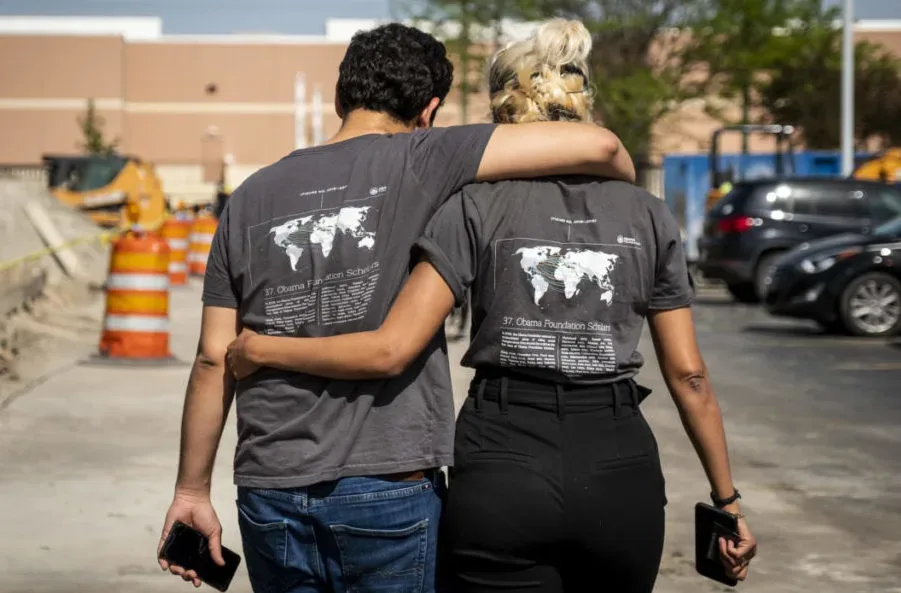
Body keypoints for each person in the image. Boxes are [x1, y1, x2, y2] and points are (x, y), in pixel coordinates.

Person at [226, 19, 757, 593]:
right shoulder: (648, 214)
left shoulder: (470, 206)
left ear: (503, 108)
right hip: (617, 460)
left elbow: (395, 344)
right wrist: (726, 500)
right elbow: (690, 375)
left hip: (501, 457)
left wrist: (261, 348)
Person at [157, 21, 637, 593]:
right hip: (389, 490)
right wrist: (625, 196)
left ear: (340, 97)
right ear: (430, 110)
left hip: (269, 489)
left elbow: (215, 358)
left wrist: (191, 492)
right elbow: (602, 145)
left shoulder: (250, 197)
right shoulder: (426, 156)